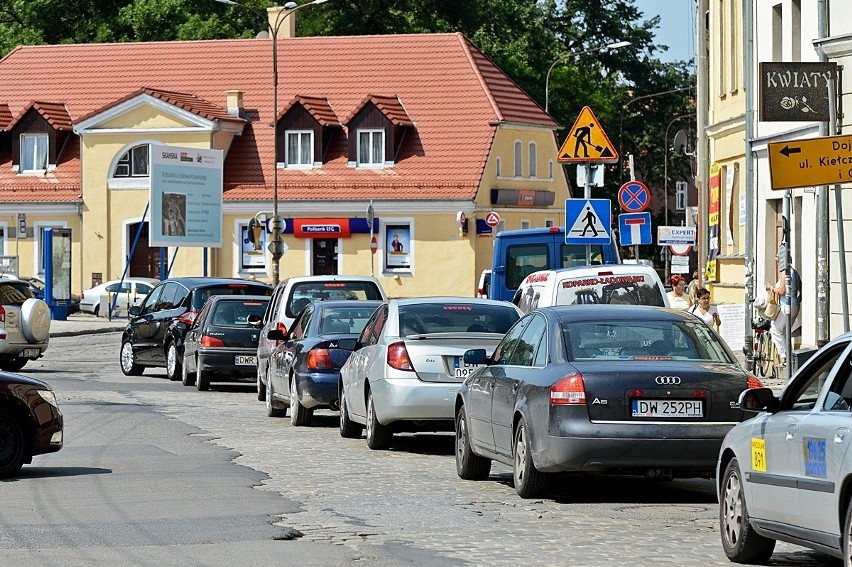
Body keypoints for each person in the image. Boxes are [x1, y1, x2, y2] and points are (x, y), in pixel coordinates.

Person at [765, 251, 802, 366]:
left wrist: (770, 288)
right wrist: (796, 301)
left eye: (777, 257)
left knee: (775, 329)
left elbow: (782, 291)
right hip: (794, 305)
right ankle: (789, 358)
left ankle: (784, 356)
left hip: (786, 306)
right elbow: (800, 289)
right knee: (785, 332)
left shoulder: (784, 272)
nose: (776, 259)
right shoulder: (794, 272)